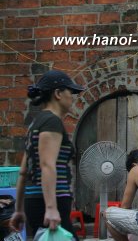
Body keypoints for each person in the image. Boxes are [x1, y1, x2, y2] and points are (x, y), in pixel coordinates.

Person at [9, 70, 84, 239]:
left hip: (34, 201)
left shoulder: (35, 124)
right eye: (70, 92)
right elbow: (47, 165)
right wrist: (51, 208)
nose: (72, 97)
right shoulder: (52, 122)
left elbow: (23, 171)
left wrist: (19, 210)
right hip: (50, 201)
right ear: (58, 93)